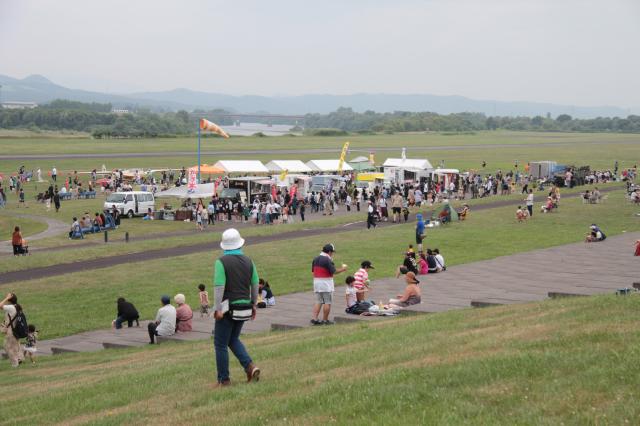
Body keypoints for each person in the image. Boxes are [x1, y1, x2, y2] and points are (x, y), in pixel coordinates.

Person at [213, 228, 260, 387]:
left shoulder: (221, 262)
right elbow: (255, 284)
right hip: (244, 307)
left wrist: (217, 308)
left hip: (227, 308)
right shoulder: (249, 261)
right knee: (233, 339)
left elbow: (219, 286)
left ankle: (224, 379)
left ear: (224, 246)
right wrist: (254, 304)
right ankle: (250, 367)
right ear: (240, 243)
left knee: (220, 343)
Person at [311, 243, 347, 325]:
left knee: (318, 301)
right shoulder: (328, 259)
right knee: (327, 302)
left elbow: (313, 270)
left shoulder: (315, 258)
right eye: (332, 252)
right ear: (329, 251)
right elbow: (334, 271)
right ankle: (325, 320)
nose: (332, 253)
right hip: (326, 283)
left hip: (316, 282)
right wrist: (343, 269)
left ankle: (314, 319)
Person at [0, 293, 24, 367]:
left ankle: (15, 363)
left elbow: (0, 305)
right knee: (16, 345)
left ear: (10, 300)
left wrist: (6, 298)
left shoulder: (11, 307)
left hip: (11, 331)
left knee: (7, 346)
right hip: (16, 330)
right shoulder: (17, 306)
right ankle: (20, 358)